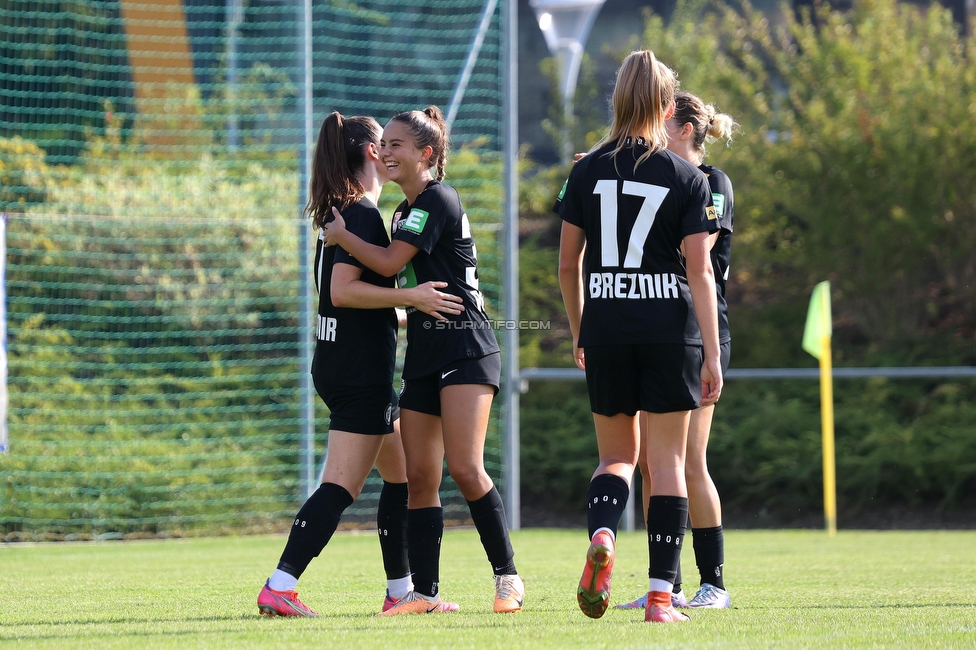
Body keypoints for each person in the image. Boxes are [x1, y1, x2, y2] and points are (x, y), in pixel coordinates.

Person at [257, 111, 465, 617]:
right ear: (372, 153)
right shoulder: (363, 216)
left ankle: (402, 591)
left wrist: (404, 309)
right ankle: (280, 585)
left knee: (401, 479)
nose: (392, 151)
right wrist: (412, 297)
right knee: (342, 484)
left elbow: (352, 296)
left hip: (343, 363)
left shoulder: (344, 213)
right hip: (357, 373)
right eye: (386, 143)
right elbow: (344, 293)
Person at [322, 106, 524, 615]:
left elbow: (388, 265)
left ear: (426, 154)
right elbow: (405, 283)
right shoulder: (400, 213)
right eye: (382, 144)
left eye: (396, 145)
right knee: (420, 476)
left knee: (465, 466)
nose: (385, 152)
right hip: (426, 355)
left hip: (467, 348)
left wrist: (341, 236)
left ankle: (507, 578)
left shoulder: (437, 198)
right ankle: (426, 594)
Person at [556, 51, 722, 624]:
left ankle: (603, 530)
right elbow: (700, 272)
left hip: (605, 327)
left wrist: (582, 331)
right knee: (668, 462)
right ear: (665, 104)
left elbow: (566, 265)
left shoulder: (585, 170)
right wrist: (712, 354)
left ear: (616, 99)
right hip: (667, 332)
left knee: (616, 457)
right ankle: (659, 597)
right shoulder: (687, 177)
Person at [616, 91, 737, 611]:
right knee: (651, 464)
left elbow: (695, 256)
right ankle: (666, 584)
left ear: (684, 128)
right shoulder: (655, 178)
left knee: (689, 461)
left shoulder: (711, 183)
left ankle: (714, 584)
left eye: (661, 122)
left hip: (700, 333)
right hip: (661, 331)